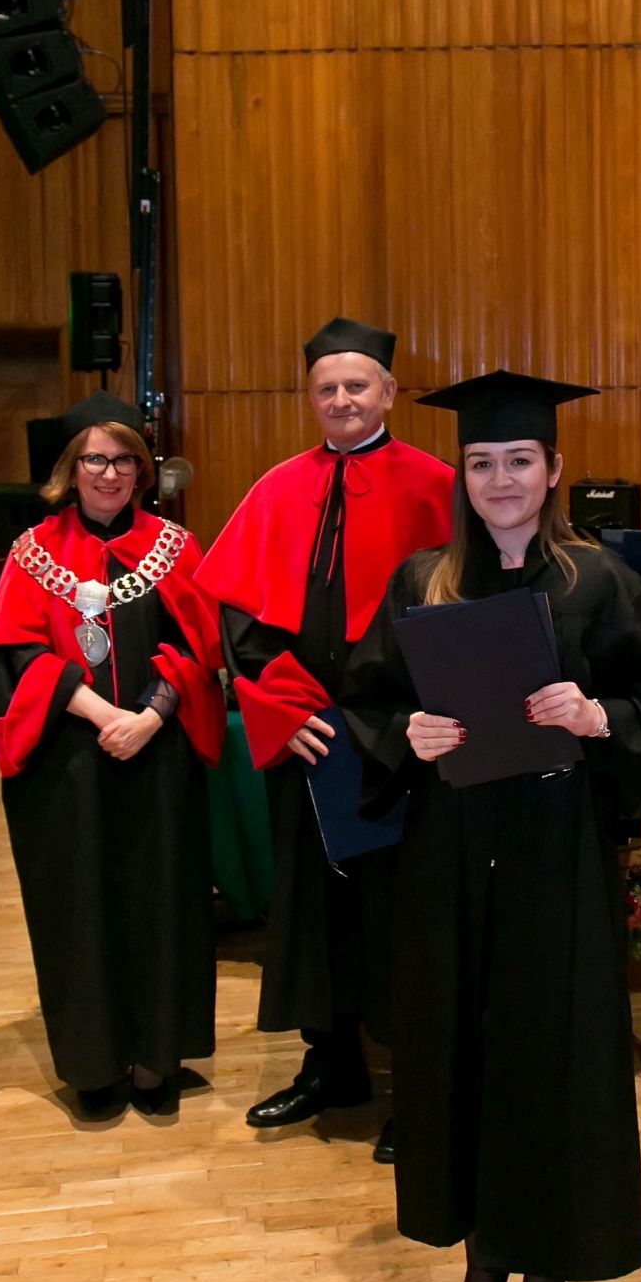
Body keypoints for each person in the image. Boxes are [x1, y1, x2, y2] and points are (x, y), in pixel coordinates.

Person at [342, 371, 641, 1282]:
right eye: (481, 463)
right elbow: (366, 699)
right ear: (462, 476)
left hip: (557, 857)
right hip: (450, 856)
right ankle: (479, 1261)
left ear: (552, 471)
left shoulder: (599, 582)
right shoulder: (424, 581)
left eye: (518, 461)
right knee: (461, 1047)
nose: (500, 479)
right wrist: (405, 734)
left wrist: (597, 717)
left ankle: (545, 1270)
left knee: (551, 1059)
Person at [196, 317, 452, 1152]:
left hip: (399, 737)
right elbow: (240, 619)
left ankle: (416, 1084)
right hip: (306, 735)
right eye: (326, 388)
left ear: (389, 392)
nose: (341, 399)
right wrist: (282, 709)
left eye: (356, 385)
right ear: (310, 397)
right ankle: (330, 1062)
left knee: (401, 911)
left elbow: (458, 614)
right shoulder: (277, 487)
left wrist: (399, 721)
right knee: (313, 907)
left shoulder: (438, 485)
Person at [0, 393, 225, 1119]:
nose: (110, 473)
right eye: (96, 459)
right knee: (78, 908)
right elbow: (14, 656)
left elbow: (200, 648)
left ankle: (156, 1059)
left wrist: (150, 715)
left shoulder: (175, 547)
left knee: (162, 901)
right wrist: (99, 713)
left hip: (158, 755)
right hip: (67, 763)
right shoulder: (32, 553)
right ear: (71, 468)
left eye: (124, 459)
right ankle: (93, 1064)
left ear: (142, 469)